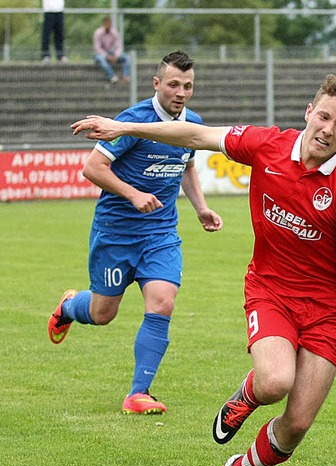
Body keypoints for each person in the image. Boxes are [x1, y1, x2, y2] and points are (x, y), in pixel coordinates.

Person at [71, 74, 336, 466]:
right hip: (271, 291)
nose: (328, 130)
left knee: (299, 424)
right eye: (323, 117)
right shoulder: (266, 144)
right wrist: (124, 127)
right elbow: (196, 133)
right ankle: (244, 399)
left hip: (327, 310)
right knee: (273, 382)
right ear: (309, 112)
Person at [49, 51, 223, 415]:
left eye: (188, 86)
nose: (181, 92)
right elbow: (92, 168)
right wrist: (133, 193)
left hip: (160, 232)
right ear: (156, 83)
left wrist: (201, 207)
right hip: (116, 232)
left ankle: (138, 393)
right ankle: (68, 305)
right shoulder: (133, 121)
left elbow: (187, 166)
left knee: (162, 301)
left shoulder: (192, 122)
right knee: (102, 314)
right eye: (174, 84)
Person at [93, 16, 131, 83]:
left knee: (127, 57)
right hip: (101, 54)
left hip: (112, 53)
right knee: (102, 59)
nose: (108, 25)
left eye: (109, 23)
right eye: (106, 23)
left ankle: (126, 76)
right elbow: (97, 48)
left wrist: (116, 55)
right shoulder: (98, 33)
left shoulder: (114, 32)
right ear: (103, 24)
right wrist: (107, 56)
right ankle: (112, 76)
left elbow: (118, 46)